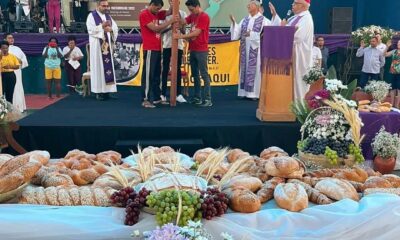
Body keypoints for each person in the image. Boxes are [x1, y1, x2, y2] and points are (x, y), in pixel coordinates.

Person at [269, 0, 314, 100]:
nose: (292, 5)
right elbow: (283, 26)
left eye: (295, 3)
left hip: (299, 55)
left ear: (302, 5)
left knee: (298, 81)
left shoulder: (306, 19)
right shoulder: (295, 17)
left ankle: (298, 108)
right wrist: (275, 15)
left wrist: (284, 28)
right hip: (290, 54)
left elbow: (298, 37)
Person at [230, 0, 273, 99]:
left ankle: (254, 94)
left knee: (255, 69)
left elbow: (269, 34)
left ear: (257, 7)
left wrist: (253, 34)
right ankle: (244, 92)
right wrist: (233, 23)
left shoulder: (263, 20)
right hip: (245, 48)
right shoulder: (245, 19)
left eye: (251, 4)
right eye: (248, 4)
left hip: (256, 50)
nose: (248, 5)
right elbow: (237, 32)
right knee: (244, 69)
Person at [174, 0, 212, 107]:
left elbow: (197, 32)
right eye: (189, 9)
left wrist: (180, 36)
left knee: (204, 74)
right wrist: (176, 18)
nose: (190, 11)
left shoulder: (204, 17)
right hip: (193, 49)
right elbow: (184, 21)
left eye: (191, 9)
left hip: (201, 50)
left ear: (197, 7)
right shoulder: (193, 16)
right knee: (195, 75)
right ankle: (197, 97)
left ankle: (208, 99)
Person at [139, 0, 176, 108]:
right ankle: (145, 99)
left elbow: (169, 12)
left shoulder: (156, 14)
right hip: (149, 48)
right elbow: (155, 28)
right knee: (148, 75)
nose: (158, 10)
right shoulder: (144, 14)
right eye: (157, 8)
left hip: (157, 48)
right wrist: (170, 22)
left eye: (159, 8)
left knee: (156, 75)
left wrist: (173, 5)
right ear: (152, 5)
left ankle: (156, 98)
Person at [86, 0, 119, 101]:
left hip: (106, 48)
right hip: (97, 47)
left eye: (107, 6)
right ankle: (98, 92)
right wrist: (102, 27)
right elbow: (90, 29)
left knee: (108, 69)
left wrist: (111, 30)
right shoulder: (92, 16)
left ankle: (107, 91)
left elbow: (115, 28)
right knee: (98, 68)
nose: (106, 8)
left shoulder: (108, 17)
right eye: (103, 6)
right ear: (98, 5)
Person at [160, 0, 187, 104]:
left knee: (177, 69)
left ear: (178, 2)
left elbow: (184, 31)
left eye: (175, 1)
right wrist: (170, 26)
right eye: (170, 1)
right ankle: (163, 94)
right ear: (169, 2)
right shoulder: (164, 14)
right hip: (167, 44)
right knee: (165, 68)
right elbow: (160, 31)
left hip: (179, 45)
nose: (173, 2)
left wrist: (180, 26)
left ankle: (178, 94)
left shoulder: (183, 13)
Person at [5, 33, 28, 112]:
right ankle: (5, 108)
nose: (11, 39)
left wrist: (19, 60)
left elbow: (24, 61)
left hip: (17, 73)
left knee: (17, 89)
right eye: (9, 38)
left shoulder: (17, 49)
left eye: (12, 38)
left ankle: (18, 108)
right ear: (5, 39)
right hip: (5, 73)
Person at [385, 40, 400, 105]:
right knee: (392, 89)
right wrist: (387, 47)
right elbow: (385, 55)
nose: (398, 44)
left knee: (399, 89)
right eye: (398, 42)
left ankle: (397, 105)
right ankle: (391, 104)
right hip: (393, 72)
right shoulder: (394, 51)